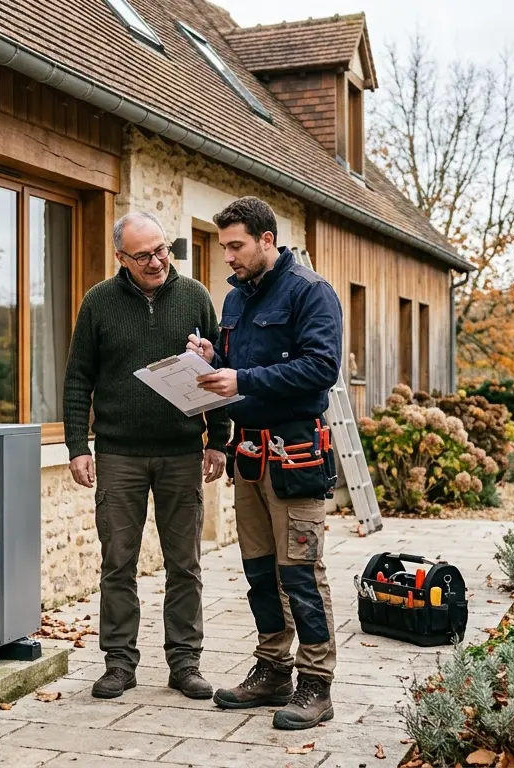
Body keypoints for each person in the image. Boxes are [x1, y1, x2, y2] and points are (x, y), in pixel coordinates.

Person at [187, 196, 343, 731]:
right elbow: (235, 368)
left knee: (300, 573)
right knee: (259, 572)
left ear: (267, 240)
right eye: (224, 245)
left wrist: (243, 380)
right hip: (249, 457)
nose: (226, 256)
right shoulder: (235, 302)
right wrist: (212, 361)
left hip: (296, 454)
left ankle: (316, 683)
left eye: (235, 246)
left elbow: (321, 368)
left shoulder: (311, 292)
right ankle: (272, 667)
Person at [63, 211, 231, 701]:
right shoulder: (98, 302)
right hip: (119, 455)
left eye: (162, 249)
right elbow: (78, 378)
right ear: (122, 258)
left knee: (186, 565)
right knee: (118, 563)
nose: (158, 261)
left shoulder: (197, 296)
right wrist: (78, 446)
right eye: (144, 255)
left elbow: (220, 371)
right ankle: (119, 663)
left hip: (182, 452)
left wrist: (218, 439)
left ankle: (185, 663)